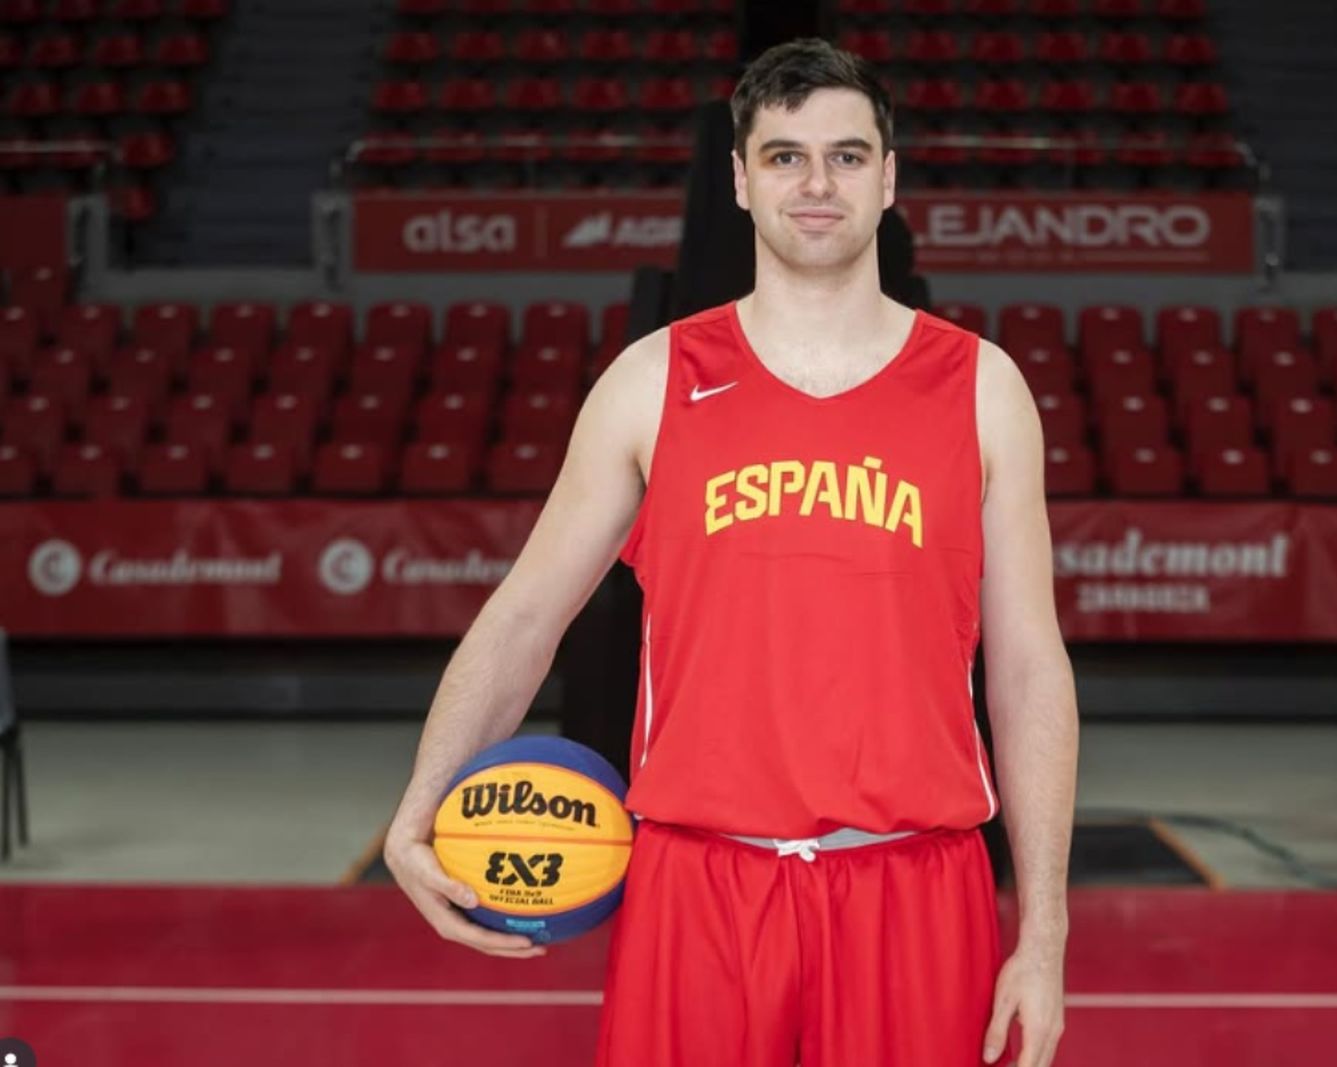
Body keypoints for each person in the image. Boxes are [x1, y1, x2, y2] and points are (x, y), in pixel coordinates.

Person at [384, 38, 1081, 1067]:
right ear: (740, 178)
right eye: (785, 154)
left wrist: (1047, 928)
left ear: (888, 177)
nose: (816, 181)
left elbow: (1027, 663)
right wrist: (417, 805)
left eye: (847, 155)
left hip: (917, 882)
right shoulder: (649, 380)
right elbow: (527, 615)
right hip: (698, 885)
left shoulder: (981, 389)